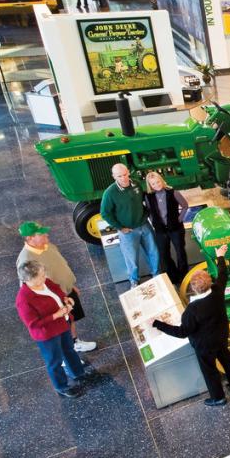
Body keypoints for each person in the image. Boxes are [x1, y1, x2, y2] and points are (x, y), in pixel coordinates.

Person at [152, 245, 230, 406]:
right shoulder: (217, 290)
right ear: (209, 282)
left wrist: (158, 324)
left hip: (204, 344)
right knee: (227, 360)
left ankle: (218, 397)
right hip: (221, 336)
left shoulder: (192, 310)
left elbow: (182, 332)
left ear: (194, 288)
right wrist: (220, 255)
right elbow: (223, 274)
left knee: (210, 370)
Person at [16, 221, 96, 355]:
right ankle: (65, 354)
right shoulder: (26, 260)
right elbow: (29, 286)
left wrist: (70, 285)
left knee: (70, 319)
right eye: (41, 234)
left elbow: (61, 267)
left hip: (66, 291)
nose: (46, 234)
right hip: (53, 299)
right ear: (30, 238)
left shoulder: (48, 246)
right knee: (60, 326)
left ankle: (75, 343)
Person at [17, 260, 90, 398]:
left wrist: (66, 299)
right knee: (54, 361)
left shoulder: (45, 281)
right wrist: (56, 315)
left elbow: (57, 289)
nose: (45, 277)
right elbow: (33, 324)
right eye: (41, 276)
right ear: (29, 279)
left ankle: (78, 373)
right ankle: (62, 386)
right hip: (48, 334)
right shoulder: (24, 300)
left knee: (69, 350)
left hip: (62, 324)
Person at [101, 163, 159, 285]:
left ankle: (156, 275)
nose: (123, 178)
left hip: (144, 225)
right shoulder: (110, 193)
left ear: (128, 172)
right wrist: (120, 228)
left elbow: (144, 199)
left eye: (125, 174)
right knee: (131, 259)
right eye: (119, 176)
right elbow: (105, 213)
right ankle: (134, 281)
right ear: (114, 176)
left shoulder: (136, 184)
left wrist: (147, 213)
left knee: (153, 252)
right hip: (128, 231)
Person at [144, 172, 189, 284]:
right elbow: (149, 211)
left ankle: (183, 277)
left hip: (176, 229)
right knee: (164, 255)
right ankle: (173, 277)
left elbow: (185, 206)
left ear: (162, 180)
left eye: (158, 182)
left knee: (180, 252)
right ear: (150, 186)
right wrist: (153, 221)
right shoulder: (148, 196)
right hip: (160, 230)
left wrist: (179, 219)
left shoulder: (173, 192)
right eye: (153, 184)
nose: (157, 185)